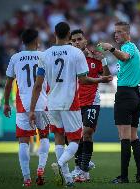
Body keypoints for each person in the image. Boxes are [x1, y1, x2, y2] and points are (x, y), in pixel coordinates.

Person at [29, 22, 112, 187]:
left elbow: (38, 85)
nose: (76, 42)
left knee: (60, 138)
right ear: (68, 36)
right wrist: (100, 79)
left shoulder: (44, 55)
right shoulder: (75, 54)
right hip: (71, 102)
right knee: (75, 139)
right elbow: (83, 79)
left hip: (52, 103)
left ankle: (68, 177)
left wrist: (32, 109)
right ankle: (61, 165)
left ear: (54, 34)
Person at [98, 21, 140, 183]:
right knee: (133, 136)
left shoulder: (128, 47)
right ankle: (139, 175)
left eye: (118, 32)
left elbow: (124, 57)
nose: (115, 34)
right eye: (114, 32)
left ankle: (124, 177)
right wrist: (103, 60)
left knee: (124, 136)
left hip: (125, 94)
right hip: (135, 93)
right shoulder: (130, 48)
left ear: (127, 33)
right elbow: (113, 75)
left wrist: (110, 48)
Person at [3, 29, 50, 187]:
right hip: (43, 103)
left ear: (22, 42)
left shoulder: (15, 58)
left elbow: (9, 83)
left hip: (23, 105)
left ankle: (27, 178)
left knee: (23, 142)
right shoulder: (44, 56)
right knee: (43, 137)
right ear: (37, 41)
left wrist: (6, 103)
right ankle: (41, 169)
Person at [70, 29, 111, 182]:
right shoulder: (70, 59)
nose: (76, 42)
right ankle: (82, 169)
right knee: (75, 136)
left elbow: (107, 77)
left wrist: (104, 60)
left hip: (92, 100)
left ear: (85, 41)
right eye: (73, 40)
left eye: (79, 39)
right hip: (74, 101)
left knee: (87, 132)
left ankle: (82, 168)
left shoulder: (95, 57)